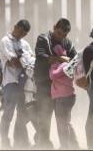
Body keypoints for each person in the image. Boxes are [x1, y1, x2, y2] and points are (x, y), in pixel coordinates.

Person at [33, 18, 77, 149]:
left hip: (62, 90)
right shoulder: (43, 39)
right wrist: (60, 58)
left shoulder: (67, 43)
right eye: (59, 33)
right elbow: (41, 57)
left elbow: (75, 61)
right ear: (54, 27)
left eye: (64, 34)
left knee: (64, 122)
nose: (61, 37)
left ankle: (73, 147)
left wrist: (68, 69)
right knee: (44, 121)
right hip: (45, 86)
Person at [0, 20, 33, 149]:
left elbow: (31, 59)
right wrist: (24, 61)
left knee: (23, 113)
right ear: (15, 27)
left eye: (24, 34)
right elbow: (14, 62)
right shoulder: (5, 41)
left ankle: (21, 142)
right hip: (11, 81)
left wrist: (22, 61)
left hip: (25, 83)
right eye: (20, 31)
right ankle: (5, 142)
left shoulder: (24, 43)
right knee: (9, 112)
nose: (21, 35)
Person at [49, 44, 79, 149]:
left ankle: (64, 146)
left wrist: (53, 65)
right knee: (66, 123)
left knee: (61, 124)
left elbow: (53, 75)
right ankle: (74, 145)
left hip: (63, 97)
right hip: (67, 96)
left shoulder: (63, 65)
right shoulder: (68, 64)